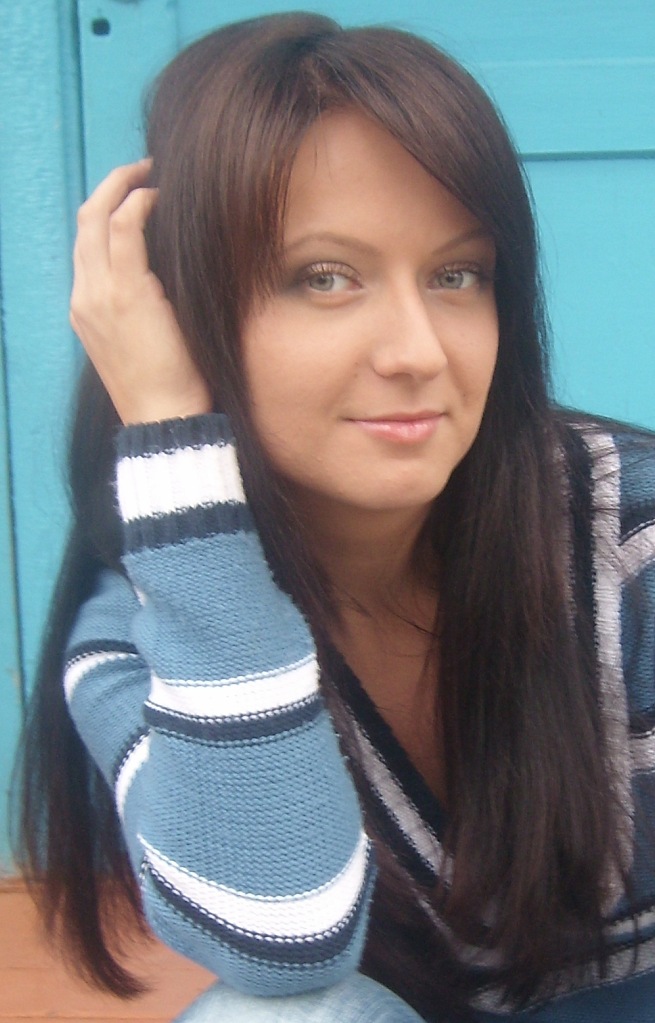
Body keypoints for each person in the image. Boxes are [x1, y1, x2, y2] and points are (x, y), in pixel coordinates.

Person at [15, 11, 655, 1023]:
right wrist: (173, 432)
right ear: (181, 313)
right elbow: (281, 936)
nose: (417, 351)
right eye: (325, 278)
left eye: (456, 275)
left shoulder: (626, 530)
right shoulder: (149, 624)